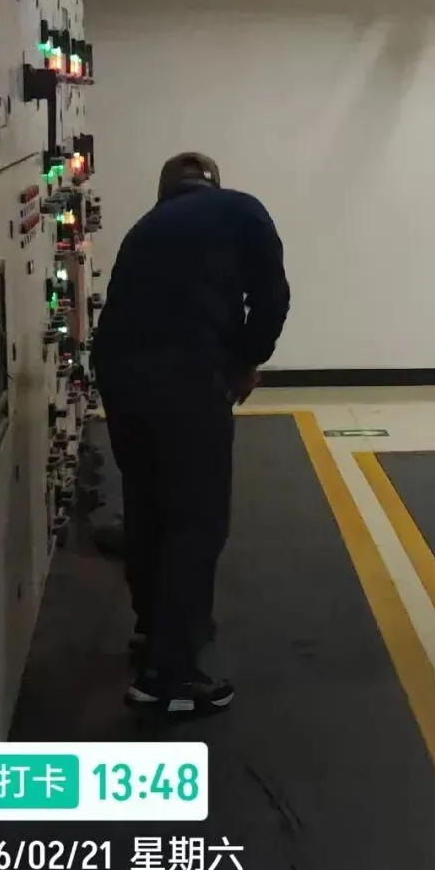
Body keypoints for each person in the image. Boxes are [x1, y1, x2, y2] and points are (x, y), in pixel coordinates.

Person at [90, 152, 290, 718]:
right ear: (214, 184)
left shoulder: (145, 228)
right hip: (186, 376)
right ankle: (171, 678)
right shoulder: (242, 210)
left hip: (120, 376)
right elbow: (272, 298)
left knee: (148, 504)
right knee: (195, 519)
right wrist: (247, 361)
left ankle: (154, 630)